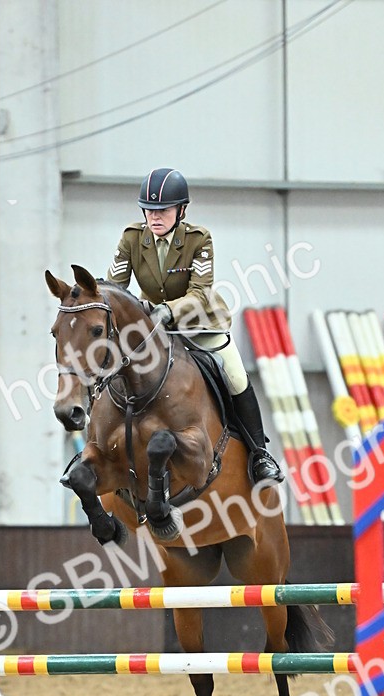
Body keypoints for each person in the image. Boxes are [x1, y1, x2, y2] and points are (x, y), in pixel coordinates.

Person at [107, 167, 283, 485]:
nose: (155, 217)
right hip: (154, 330)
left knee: (235, 375)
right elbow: (115, 287)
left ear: (181, 210)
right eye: (149, 210)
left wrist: (165, 311)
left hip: (200, 325)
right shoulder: (132, 238)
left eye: (163, 210)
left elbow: (200, 292)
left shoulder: (198, 239)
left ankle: (259, 454)